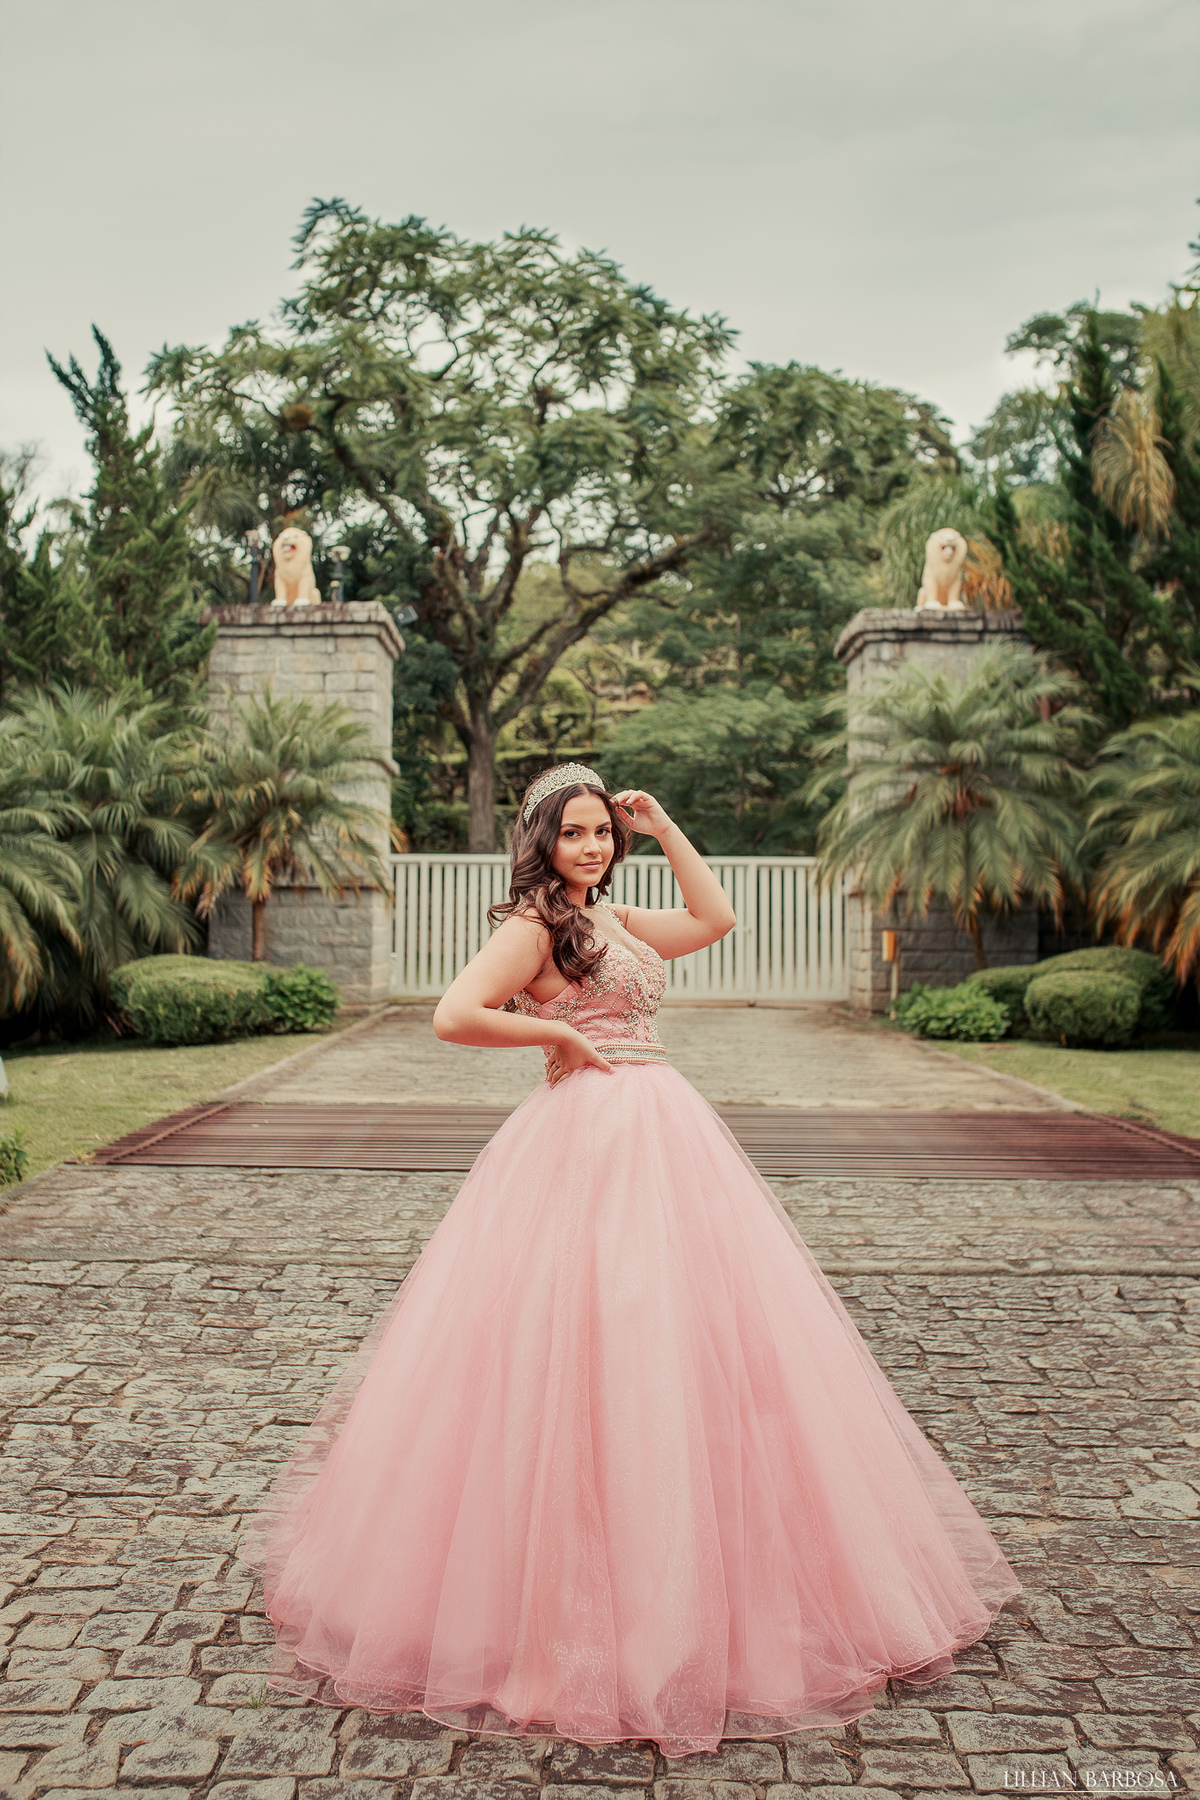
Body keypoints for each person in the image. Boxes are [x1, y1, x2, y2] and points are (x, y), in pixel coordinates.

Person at [242, 763, 1021, 1759]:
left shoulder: (612, 917)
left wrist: (665, 829)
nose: (591, 847)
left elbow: (716, 918)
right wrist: (556, 1037)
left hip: (665, 1131)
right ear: (542, 841)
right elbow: (454, 1013)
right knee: (578, 1332)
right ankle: (554, 1617)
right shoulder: (534, 925)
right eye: (574, 833)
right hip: (583, 1139)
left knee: (680, 1332)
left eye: (601, 832)